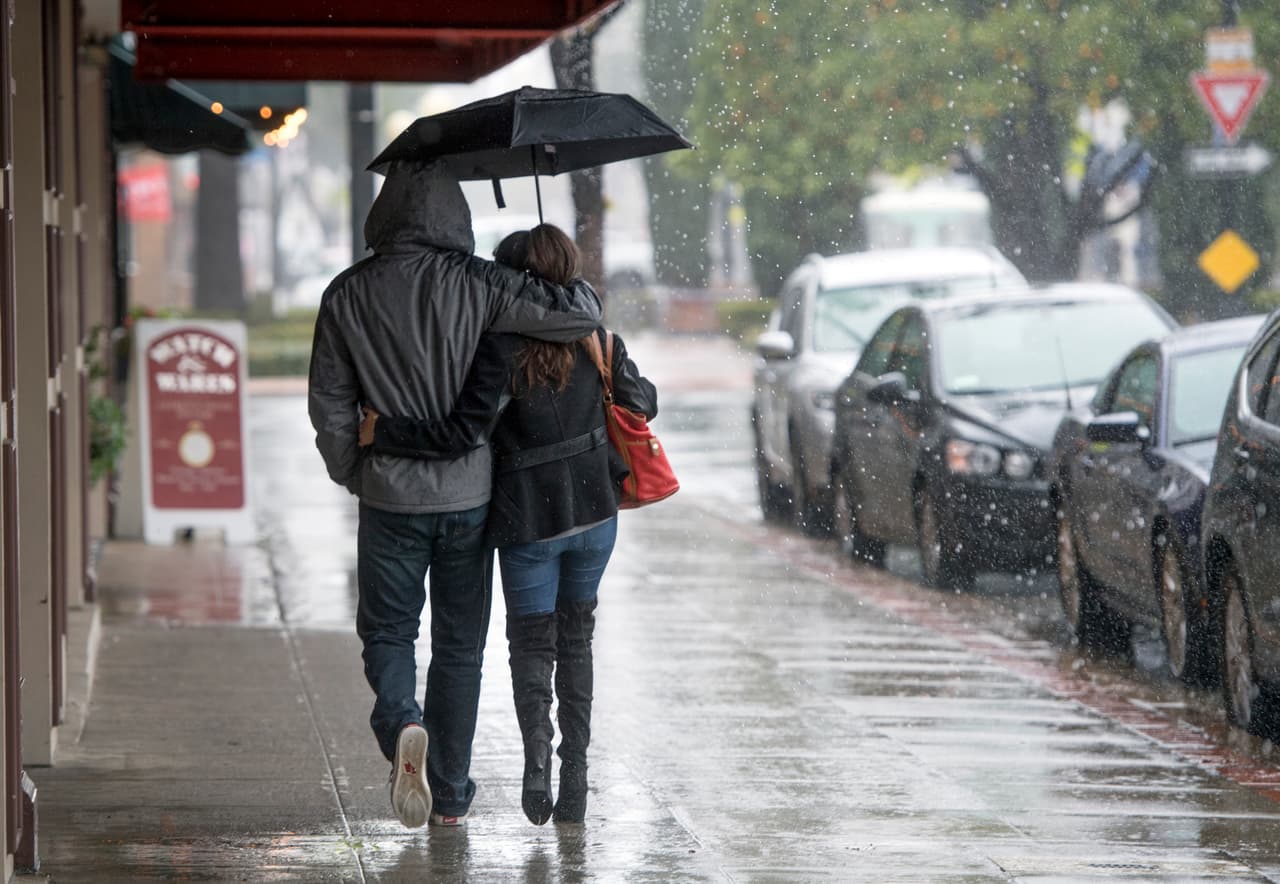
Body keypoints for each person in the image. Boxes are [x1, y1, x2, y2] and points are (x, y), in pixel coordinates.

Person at [308, 162, 603, 830]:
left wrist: (354, 471)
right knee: (460, 647)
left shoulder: (346, 293)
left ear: (384, 212)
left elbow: (329, 402)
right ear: (457, 215)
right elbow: (580, 316)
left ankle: (401, 722)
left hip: (389, 495)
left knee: (388, 631)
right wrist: (561, 272)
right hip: (468, 497)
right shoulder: (482, 282)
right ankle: (447, 795)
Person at [358, 224, 657, 825]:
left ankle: (536, 767)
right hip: (594, 514)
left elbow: (461, 434)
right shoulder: (597, 337)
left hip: (529, 521)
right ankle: (575, 775)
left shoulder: (500, 348)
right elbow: (643, 402)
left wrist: (381, 430)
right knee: (577, 639)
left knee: (532, 647)